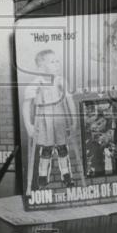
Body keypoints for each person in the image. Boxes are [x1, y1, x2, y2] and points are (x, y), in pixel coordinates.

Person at [23, 49, 76, 189]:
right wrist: (28, 125)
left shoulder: (61, 81)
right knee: (46, 149)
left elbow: (69, 100)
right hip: (44, 118)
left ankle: (66, 175)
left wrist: (74, 119)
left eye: (57, 61)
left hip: (59, 117)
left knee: (62, 148)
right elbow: (26, 105)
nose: (57, 64)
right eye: (53, 62)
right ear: (41, 67)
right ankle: (42, 176)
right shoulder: (35, 84)